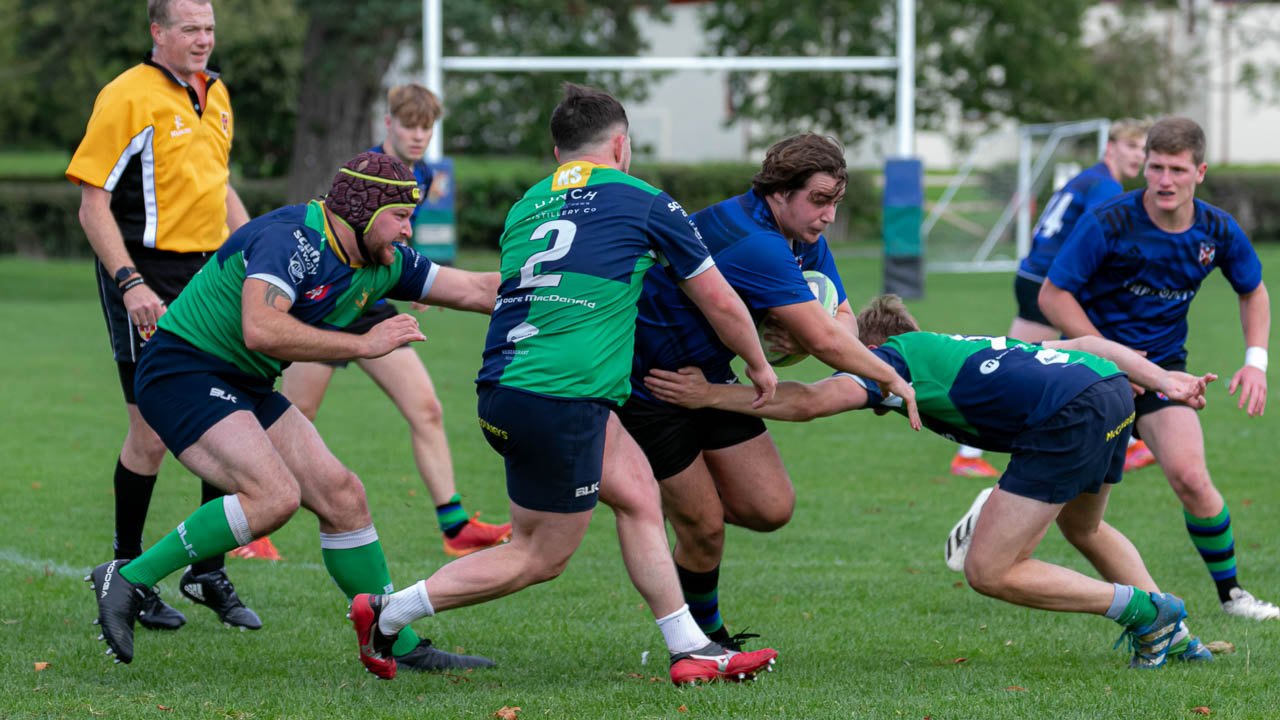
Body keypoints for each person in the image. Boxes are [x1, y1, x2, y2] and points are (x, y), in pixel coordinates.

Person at [347, 83, 780, 685]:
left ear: (559, 154)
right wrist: (759, 365)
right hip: (561, 395)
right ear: (621, 146)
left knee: (635, 494)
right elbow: (720, 301)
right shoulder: (646, 200)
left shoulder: (528, 204)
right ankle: (387, 613)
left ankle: (690, 647)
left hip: (510, 384)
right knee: (539, 556)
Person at [88, 151, 499, 675]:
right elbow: (260, 327)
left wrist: (565, 292)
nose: (409, 231)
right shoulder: (292, 239)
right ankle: (127, 577)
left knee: (344, 496)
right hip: (182, 372)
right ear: (364, 212)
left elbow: (475, 289)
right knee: (273, 497)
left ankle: (394, 636)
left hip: (245, 382)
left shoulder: (381, 260)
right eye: (400, 217)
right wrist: (363, 343)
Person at [645, 294, 1217, 668]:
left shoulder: (892, 359)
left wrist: (707, 395)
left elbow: (811, 403)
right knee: (1085, 528)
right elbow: (1091, 347)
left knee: (990, 570)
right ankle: (1179, 638)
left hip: (1069, 410)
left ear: (865, 349)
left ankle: (1145, 611)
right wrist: (1164, 381)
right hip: (1107, 392)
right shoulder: (957, 347)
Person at [621, 133, 920, 649]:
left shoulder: (802, 239)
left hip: (709, 375)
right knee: (705, 528)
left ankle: (672, 501)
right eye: (819, 201)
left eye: (835, 203)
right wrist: (889, 377)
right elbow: (828, 338)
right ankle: (706, 635)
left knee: (770, 507)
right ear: (779, 192)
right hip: (651, 385)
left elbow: (840, 323)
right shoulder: (753, 240)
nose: (827, 216)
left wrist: (810, 333)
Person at [66, 0, 259, 632]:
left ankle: (206, 571)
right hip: (145, 274)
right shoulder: (126, 95)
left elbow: (219, 183)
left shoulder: (218, 92)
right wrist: (130, 284)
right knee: (152, 432)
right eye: (189, 29)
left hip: (211, 273)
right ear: (158, 32)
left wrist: (255, 253)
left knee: (231, 411)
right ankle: (125, 571)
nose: (203, 39)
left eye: (209, 28)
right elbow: (92, 205)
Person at [1039, 116, 1276, 620]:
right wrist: (1111, 354)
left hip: (1164, 369)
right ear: (1143, 166)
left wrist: (1256, 362)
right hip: (1092, 371)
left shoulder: (1217, 231)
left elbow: (1253, 291)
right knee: (1066, 496)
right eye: (1155, 167)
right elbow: (1052, 295)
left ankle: (1234, 596)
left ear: (1200, 172)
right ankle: (991, 508)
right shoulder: (1110, 221)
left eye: (1177, 169)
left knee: (1191, 476)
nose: (1164, 180)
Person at [275, 84, 511, 560]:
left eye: (426, 127)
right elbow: (335, 237)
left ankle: (455, 526)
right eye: (410, 125)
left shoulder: (421, 173)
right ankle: (246, 520)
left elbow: (399, 245)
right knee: (291, 418)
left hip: (374, 307)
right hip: (329, 307)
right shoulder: (366, 171)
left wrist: (417, 279)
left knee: (427, 409)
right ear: (389, 125)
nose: (419, 135)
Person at [950, 119, 1155, 479]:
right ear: (1111, 147)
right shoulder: (1105, 185)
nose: (1139, 154)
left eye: (1143, 148)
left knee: (1030, 361)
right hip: (1049, 285)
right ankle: (968, 451)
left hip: (1036, 276)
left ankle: (1124, 441)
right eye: (1132, 146)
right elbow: (1103, 241)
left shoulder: (1088, 178)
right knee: (1038, 363)